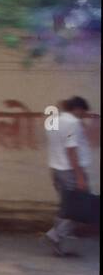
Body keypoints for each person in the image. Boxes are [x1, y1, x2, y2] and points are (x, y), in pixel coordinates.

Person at [45, 96, 93, 257]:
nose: (84, 115)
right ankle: (55, 235)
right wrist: (79, 177)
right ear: (78, 109)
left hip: (56, 169)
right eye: (83, 112)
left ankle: (58, 243)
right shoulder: (72, 123)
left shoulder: (54, 121)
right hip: (71, 171)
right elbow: (71, 150)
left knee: (66, 208)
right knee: (78, 208)